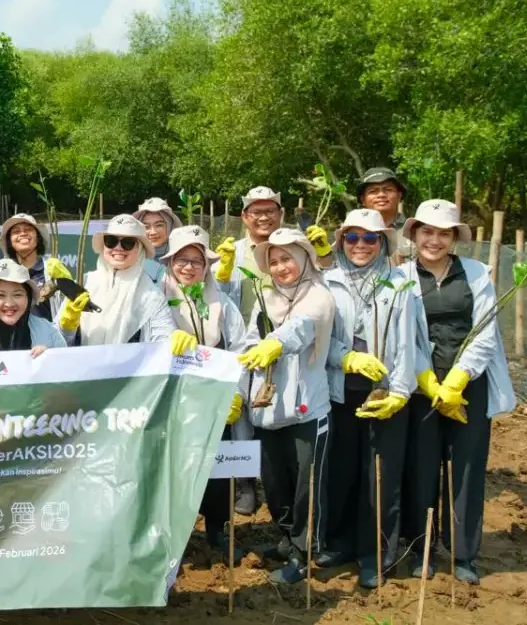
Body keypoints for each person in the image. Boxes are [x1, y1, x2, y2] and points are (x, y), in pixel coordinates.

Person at [400, 199, 515, 585]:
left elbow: (485, 332)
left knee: (466, 467)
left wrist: (458, 379)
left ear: (454, 238)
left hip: (469, 385)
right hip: (423, 389)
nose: (434, 240)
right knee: (421, 466)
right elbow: (405, 339)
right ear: (414, 234)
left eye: (443, 233)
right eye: (427, 232)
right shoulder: (400, 277)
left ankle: (464, 553)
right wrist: (428, 380)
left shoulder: (478, 273)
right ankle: (423, 547)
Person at [319, 209, 420, 588]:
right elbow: (320, 339)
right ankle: (339, 542)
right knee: (341, 472)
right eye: (352, 238)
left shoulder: (399, 285)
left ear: (383, 243)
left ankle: (375, 553)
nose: (360, 245)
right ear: (341, 242)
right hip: (339, 392)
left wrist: (399, 391)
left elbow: (409, 344)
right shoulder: (327, 282)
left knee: (379, 477)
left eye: (370, 238)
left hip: (383, 393)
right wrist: (343, 357)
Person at [235, 228, 336, 585]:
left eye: (287, 258)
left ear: (305, 258)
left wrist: (274, 343)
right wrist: (239, 378)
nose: (280, 267)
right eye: (273, 261)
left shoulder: (320, 295)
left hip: (307, 409)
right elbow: (249, 340)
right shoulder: (266, 298)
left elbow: (301, 329)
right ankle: (285, 538)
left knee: (305, 486)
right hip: (267, 409)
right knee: (276, 484)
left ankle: (304, 553)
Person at [158, 225, 248, 565]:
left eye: (197, 261)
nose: (189, 267)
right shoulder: (157, 300)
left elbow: (240, 348)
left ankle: (216, 529)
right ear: (170, 262)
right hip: (175, 402)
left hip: (215, 401)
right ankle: (174, 537)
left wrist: (236, 393)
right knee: (175, 470)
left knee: (217, 469)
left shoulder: (221, 303)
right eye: (182, 259)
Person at [57, 215, 184, 351]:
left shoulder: (151, 295)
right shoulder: (85, 282)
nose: (118, 248)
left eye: (128, 243)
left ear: (140, 249)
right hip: (83, 369)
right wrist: (67, 327)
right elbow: (56, 341)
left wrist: (173, 340)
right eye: (111, 241)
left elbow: (162, 340)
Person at [0, 258, 66, 356]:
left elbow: (67, 369)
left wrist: (50, 358)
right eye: (0, 295)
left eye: (17, 295)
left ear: (28, 298)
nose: (9, 304)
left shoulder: (49, 333)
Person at [0, 213, 63, 322]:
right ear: (9, 241)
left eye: (28, 229)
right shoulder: (3, 272)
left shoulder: (52, 269)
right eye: (16, 231)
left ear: (38, 238)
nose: (23, 233)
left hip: (48, 336)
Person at [357, 167, 413, 261]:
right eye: (373, 191)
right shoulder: (351, 234)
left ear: (399, 196)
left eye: (388, 189)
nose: (381, 195)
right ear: (363, 200)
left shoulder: (416, 230)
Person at [134, 197, 181, 283]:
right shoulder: (129, 256)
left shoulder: (181, 256)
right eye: (146, 227)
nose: (153, 232)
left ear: (170, 226)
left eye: (159, 225)